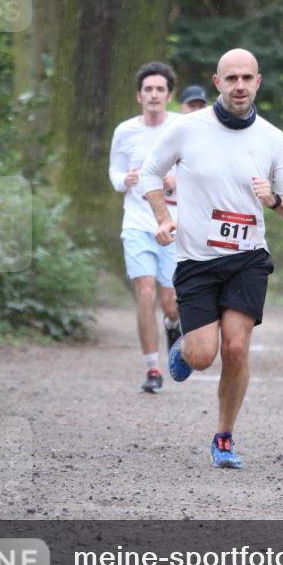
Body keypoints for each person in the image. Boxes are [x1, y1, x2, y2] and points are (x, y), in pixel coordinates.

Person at [140, 48, 283, 467]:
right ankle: (184, 349)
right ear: (217, 83)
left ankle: (224, 437)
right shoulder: (188, 129)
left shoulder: (272, 137)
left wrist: (275, 200)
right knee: (202, 355)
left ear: (258, 82)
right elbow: (148, 173)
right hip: (196, 260)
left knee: (235, 350)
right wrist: (163, 217)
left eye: (247, 78)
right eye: (231, 78)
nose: (239, 86)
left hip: (248, 258)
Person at [109, 62, 182, 394]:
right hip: (137, 224)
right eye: (148, 90)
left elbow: (198, 170)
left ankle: (173, 324)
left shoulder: (181, 128)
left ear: (168, 95)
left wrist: (174, 179)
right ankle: (153, 368)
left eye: (160, 90)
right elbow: (114, 173)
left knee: (170, 301)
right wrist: (125, 180)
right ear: (139, 96)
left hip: (172, 224)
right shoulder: (125, 131)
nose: (154, 95)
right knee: (145, 291)